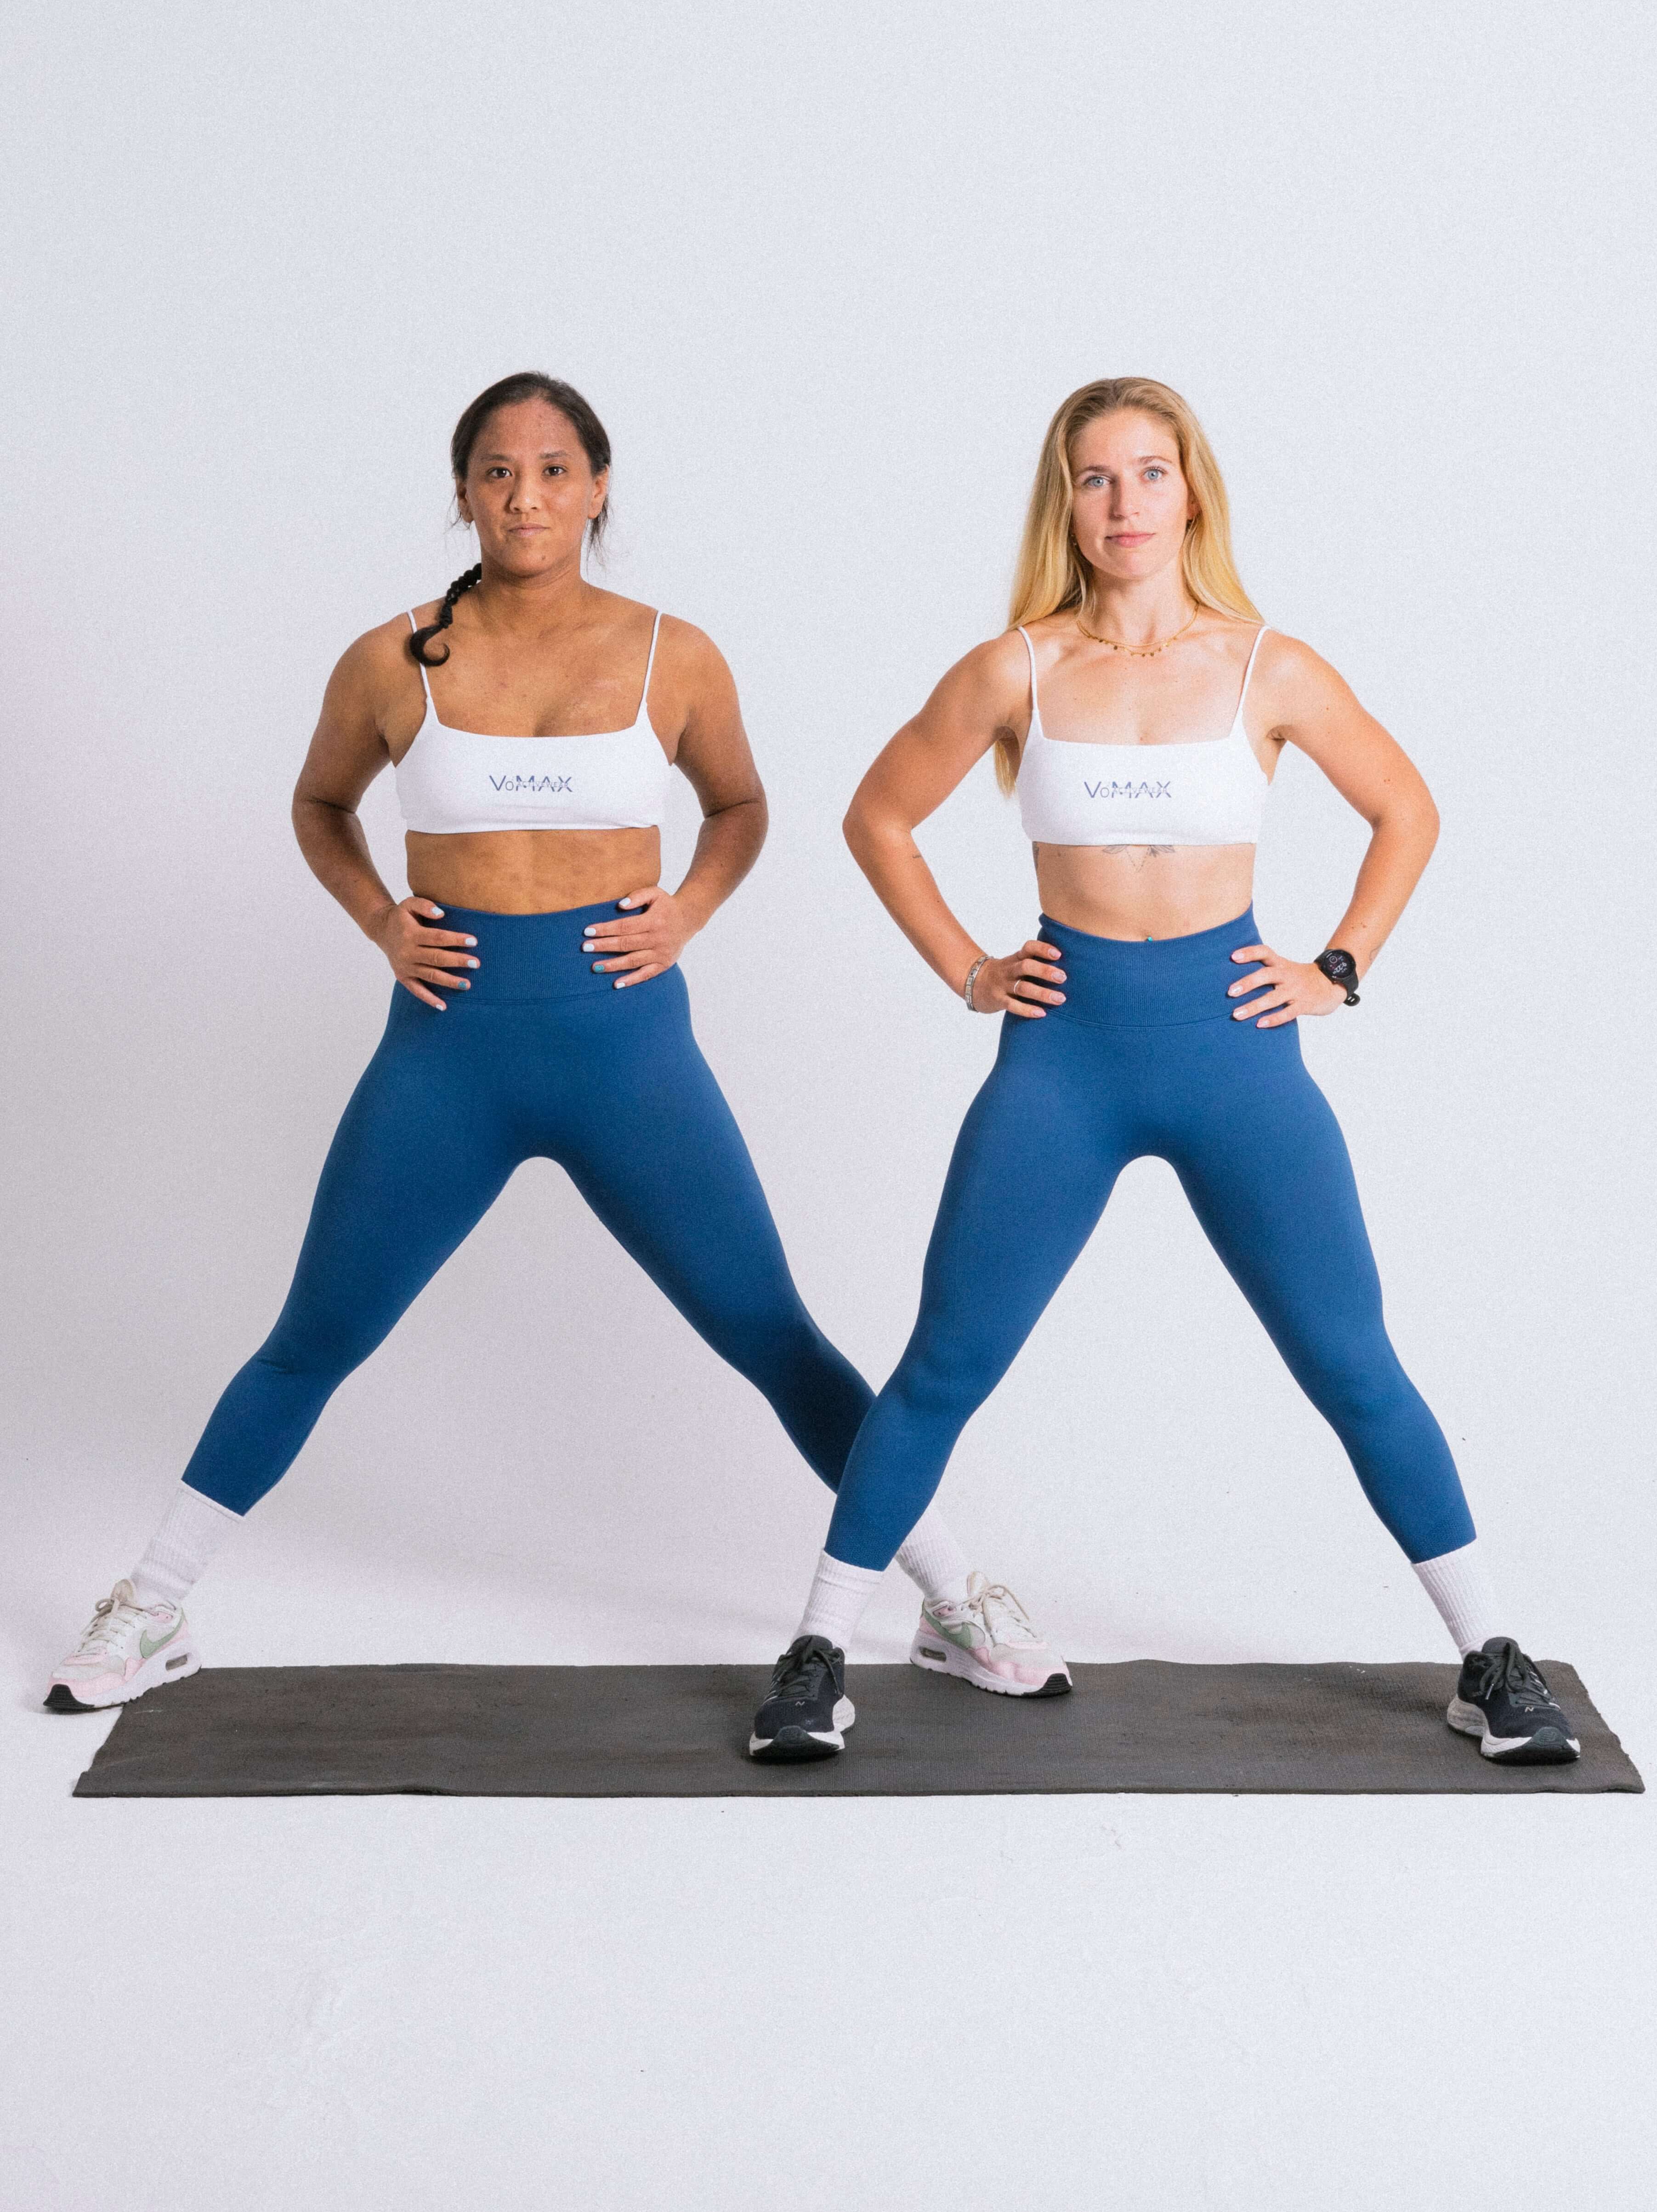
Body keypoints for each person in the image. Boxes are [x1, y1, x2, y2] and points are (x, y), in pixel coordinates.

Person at [47, 371, 1064, 1724]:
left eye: (552, 469)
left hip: (627, 1057)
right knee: (314, 1336)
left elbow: (744, 806)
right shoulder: (391, 656)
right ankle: (152, 1600)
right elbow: (318, 803)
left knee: (770, 1333)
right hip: (445, 1057)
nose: (525, 496)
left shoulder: (673, 653)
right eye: (496, 471)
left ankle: (947, 1587)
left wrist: (689, 909)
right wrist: (379, 920)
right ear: (462, 492)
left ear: (597, 487)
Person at [749, 375, 1578, 1768]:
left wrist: (1342, 965)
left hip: (1235, 1047)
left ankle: (1491, 1653)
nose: (1125, 502)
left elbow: (1406, 805)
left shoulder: (1270, 666)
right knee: (947, 1360)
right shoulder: (1015, 667)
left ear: (1192, 488)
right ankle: (820, 1650)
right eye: (1095, 477)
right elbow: (877, 815)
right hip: (1063, 1055)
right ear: (1063, 503)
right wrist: (969, 965)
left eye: (1148, 472)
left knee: (1350, 1360)